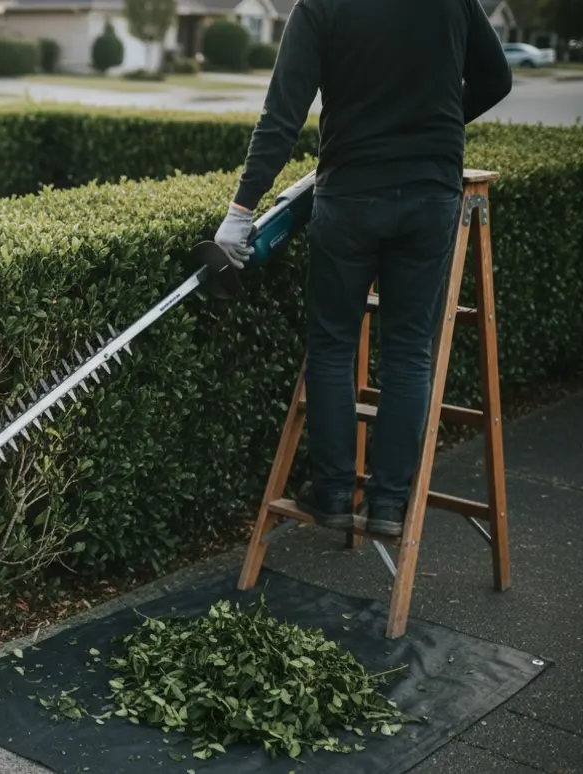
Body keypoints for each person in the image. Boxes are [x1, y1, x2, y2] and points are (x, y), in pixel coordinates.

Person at [214, 0, 513, 537]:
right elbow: (496, 78)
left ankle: (330, 493)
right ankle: (389, 505)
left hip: (350, 197)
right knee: (408, 350)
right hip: (429, 197)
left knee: (332, 344)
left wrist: (241, 210)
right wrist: (433, 127)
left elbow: (281, 115)